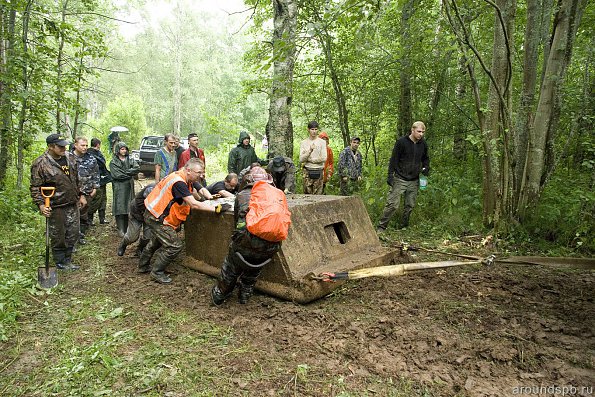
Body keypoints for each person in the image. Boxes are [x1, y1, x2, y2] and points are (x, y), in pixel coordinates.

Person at [139, 159, 231, 284]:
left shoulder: (184, 177)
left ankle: (143, 265)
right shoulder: (179, 183)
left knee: (157, 241)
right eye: (198, 172)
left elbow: (200, 189)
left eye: (202, 173)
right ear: (188, 170)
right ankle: (157, 272)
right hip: (157, 216)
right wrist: (217, 208)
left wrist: (210, 198)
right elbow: (194, 204)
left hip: (154, 213)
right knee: (174, 246)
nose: (201, 176)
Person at [211, 166, 281, 305]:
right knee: (255, 268)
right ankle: (245, 295)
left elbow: (237, 221)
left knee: (230, 269)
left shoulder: (243, 195)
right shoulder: (278, 194)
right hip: (273, 245)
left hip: (246, 244)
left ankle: (219, 295)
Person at [30, 134, 86, 270]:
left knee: (73, 232)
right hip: (56, 205)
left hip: (72, 202)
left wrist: (81, 194)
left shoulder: (70, 157)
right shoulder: (41, 163)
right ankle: (61, 262)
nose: (63, 148)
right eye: (60, 146)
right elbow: (35, 187)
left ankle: (68, 258)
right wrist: (41, 204)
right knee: (58, 234)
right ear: (50, 146)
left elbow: (77, 178)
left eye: (64, 145)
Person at [377, 121, 430, 231]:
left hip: (414, 179)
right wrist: (390, 175)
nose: (421, 134)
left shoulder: (423, 144)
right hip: (400, 178)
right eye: (419, 131)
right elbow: (393, 159)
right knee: (393, 204)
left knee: (410, 205)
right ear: (412, 130)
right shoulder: (401, 142)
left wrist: (426, 167)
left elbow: (425, 158)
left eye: (423, 132)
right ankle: (381, 226)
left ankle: (404, 226)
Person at [71, 137, 100, 244]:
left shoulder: (91, 159)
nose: (85, 147)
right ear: (75, 145)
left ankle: (81, 236)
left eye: (86, 145)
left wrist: (95, 188)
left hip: (88, 191)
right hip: (73, 193)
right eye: (82, 145)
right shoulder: (68, 158)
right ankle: (72, 239)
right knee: (72, 217)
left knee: (84, 215)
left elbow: (96, 174)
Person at [117, 183, 155, 257]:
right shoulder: (151, 189)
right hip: (137, 213)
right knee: (132, 237)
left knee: (148, 237)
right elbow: (147, 203)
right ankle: (123, 244)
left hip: (150, 215)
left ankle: (140, 249)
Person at [110, 142, 139, 236]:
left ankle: (127, 228)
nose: (124, 151)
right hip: (119, 186)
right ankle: (120, 229)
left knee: (128, 206)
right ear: (118, 150)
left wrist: (126, 172)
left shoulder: (130, 159)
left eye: (125, 149)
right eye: (122, 149)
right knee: (119, 206)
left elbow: (137, 168)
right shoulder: (114, 162)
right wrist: (129, 173)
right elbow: (117, 175)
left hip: (129, 186)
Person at [87, 138, 112, 225]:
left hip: (102, 179)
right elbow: (101, 163)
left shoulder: (97, 153)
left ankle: (102, 218)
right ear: (98, 144)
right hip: (94, 180)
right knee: (95, 200)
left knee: (103, 199)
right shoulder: (90, 153)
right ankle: (89, 220)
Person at [299, 121, 327, 194]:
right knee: (307, 195)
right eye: (312, 129)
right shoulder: (304, 143)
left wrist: (313, 160)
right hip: (307, 171)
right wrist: (309, 151)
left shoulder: (322, 142)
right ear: (308, 129)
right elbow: (301, 159)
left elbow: (324, 158)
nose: (314, 131)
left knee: (318, 195)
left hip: (319, 171)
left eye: (315, 129)